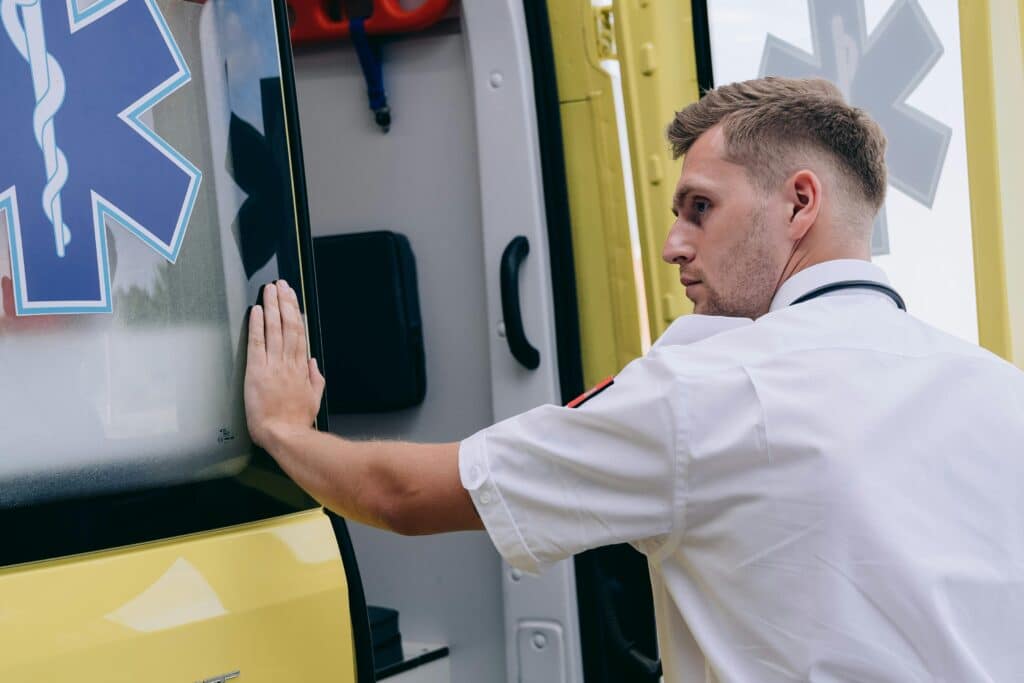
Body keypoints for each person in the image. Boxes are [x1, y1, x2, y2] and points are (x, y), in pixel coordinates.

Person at [244, 77, 1024, 681]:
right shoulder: (998, 390)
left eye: (700, 207)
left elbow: (402, 495)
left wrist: (285, 430)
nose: (673, 244)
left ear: (799, 203)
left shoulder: (708, 387)